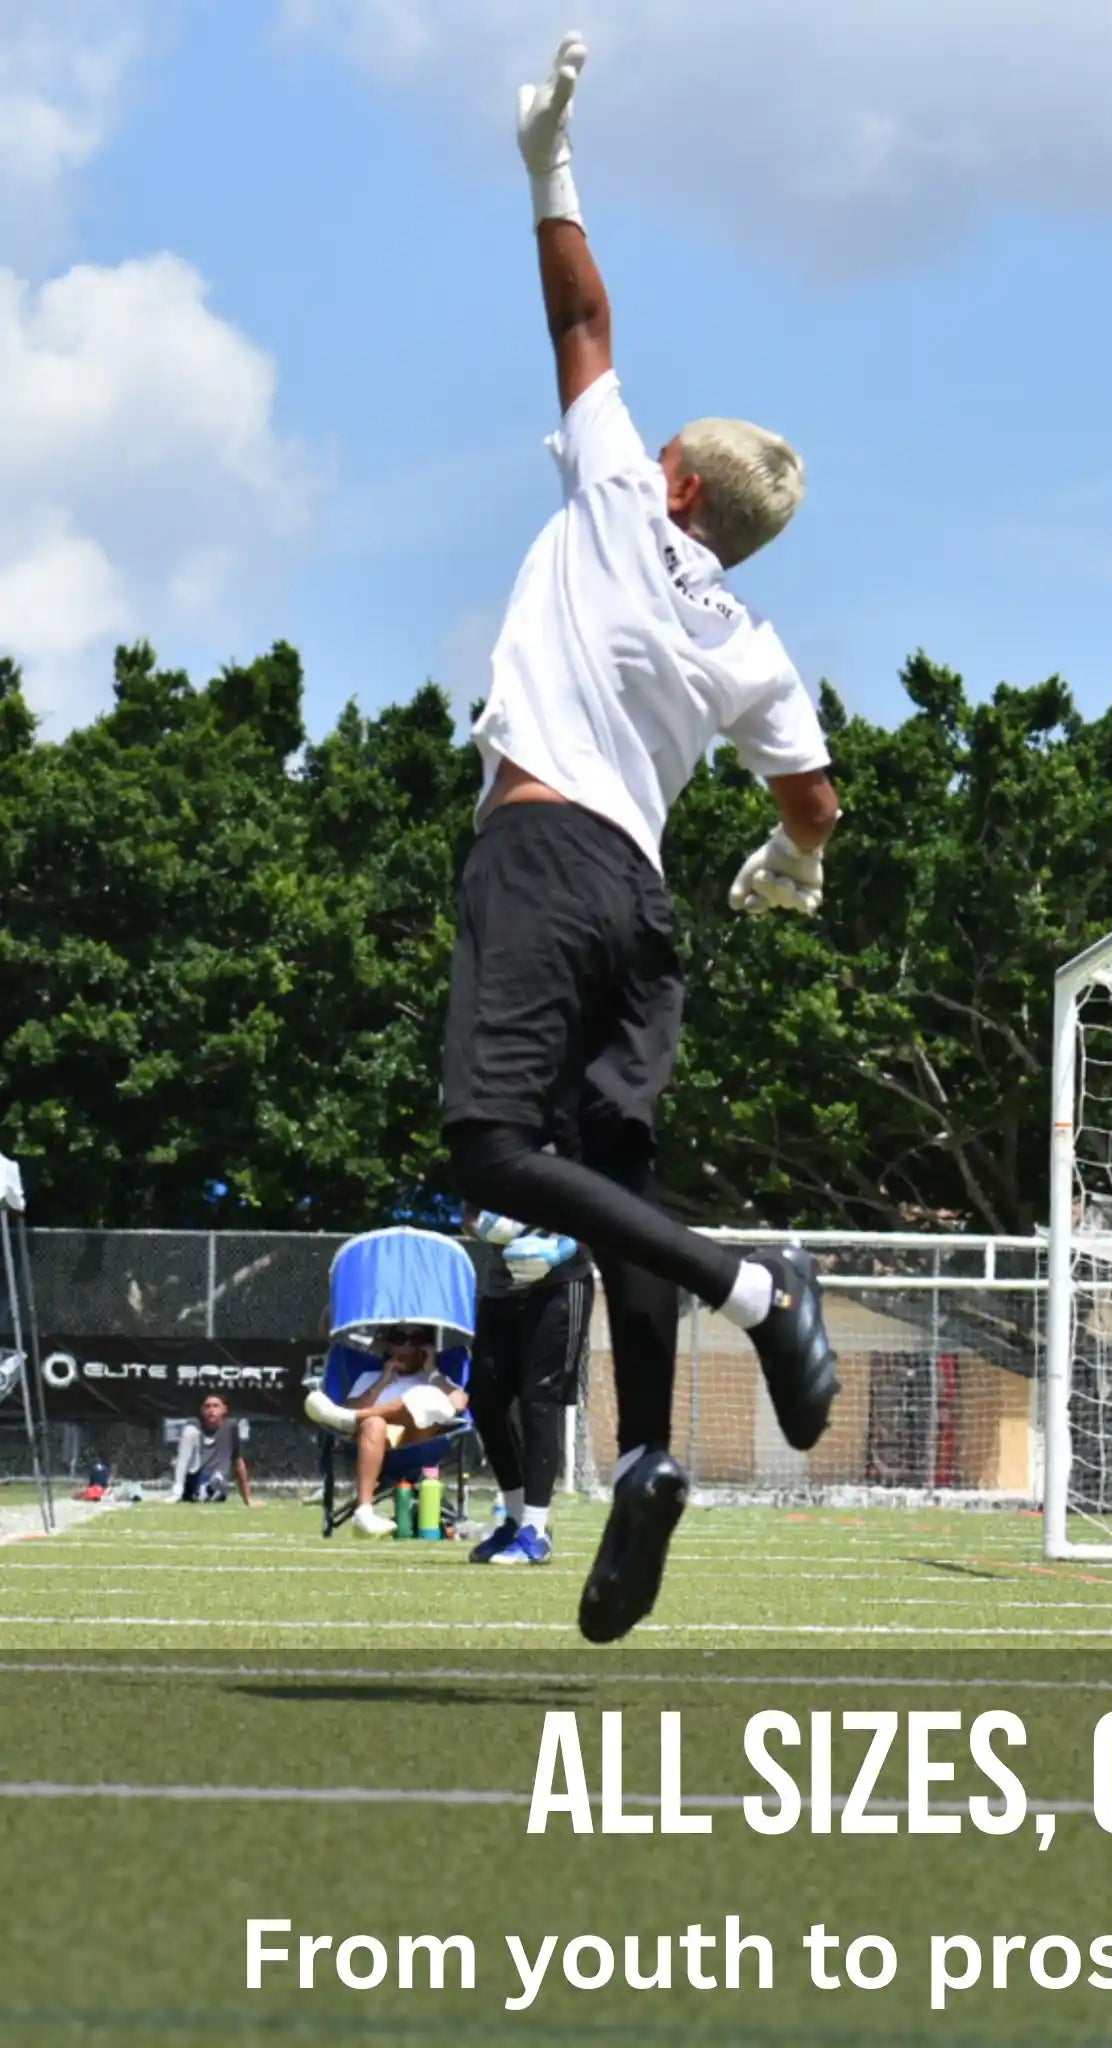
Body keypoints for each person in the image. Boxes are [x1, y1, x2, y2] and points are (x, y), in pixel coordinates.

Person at [440, 32, 840, 1644]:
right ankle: (650, 1459)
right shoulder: (754, 638)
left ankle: (757, 1287)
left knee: (490, 1154)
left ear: (674, 486)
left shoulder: (616, 498)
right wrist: (792, 866)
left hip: (543, 856)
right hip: (640, 898)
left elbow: (581, 320)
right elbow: (812, 795)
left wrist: (548, 161)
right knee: (614, 1181)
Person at [462, 1209, 593, 1567]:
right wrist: (489, 1229)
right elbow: (468, 1216)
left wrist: (561, 1247)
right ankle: (516, 1518)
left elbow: (604, 1213)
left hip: (560, 1285)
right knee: (485, 1400)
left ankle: (534, 1529)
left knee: (540, 1401)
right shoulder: (487, 1171)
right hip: (501, 1293)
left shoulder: (567, 1168)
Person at [304, 1326, 470, 1537]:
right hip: (376, 1443)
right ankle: (364, 1513)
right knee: (374, 1423)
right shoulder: (370, 1378)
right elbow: (352, 1406)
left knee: (428, 1397)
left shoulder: (436, 1380)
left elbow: (460, 1404)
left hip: (421, 1443)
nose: (407, 1346)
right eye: (399, 1338)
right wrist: (381, 1383)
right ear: (388, 1345)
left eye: (418, 1339)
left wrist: (432, 1373)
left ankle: (348, 1420)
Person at [170, 1394, 254, 1507]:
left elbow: (238, 1463)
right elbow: (185, 1456)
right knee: (189, 1431)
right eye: (207, 1406)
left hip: (217, 1481)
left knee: (217, 1481)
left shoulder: (231, 1427)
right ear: (202, 1410)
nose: (211, 1410)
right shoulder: (194, 1425)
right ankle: (178, 1491)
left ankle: (207, 1490)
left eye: (216, 1406)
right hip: (194, 1478)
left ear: (224, 1409)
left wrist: (247, 1499)